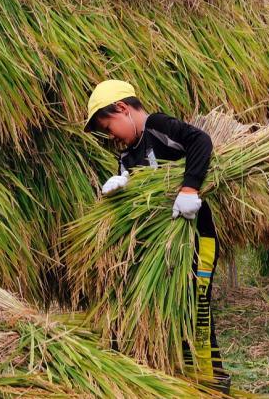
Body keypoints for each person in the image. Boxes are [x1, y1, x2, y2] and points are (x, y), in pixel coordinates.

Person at [84, 80, 229, 392]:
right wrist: (119, 188)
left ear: (123, 108)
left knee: (196, 310)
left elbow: (200, 141)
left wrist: (189, 187)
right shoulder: (125, 157)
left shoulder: (157, 126)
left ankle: (214, 385)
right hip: (161, 249)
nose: (111, 136)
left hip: (196, 239)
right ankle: (182, 380)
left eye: (109, 127)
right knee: (171, 310)